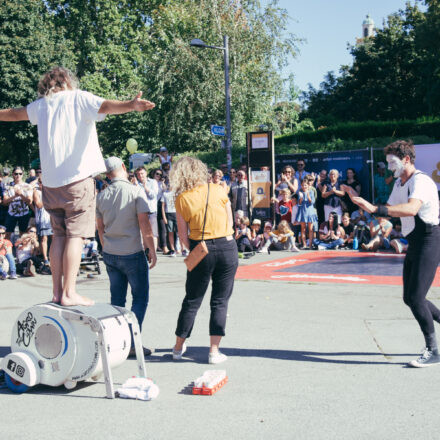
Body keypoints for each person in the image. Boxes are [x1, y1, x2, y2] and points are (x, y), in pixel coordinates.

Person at [0, 66, 155, 306]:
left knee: (58, 236)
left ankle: (56, 292)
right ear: (68, 81)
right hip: (78, 179)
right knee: (75, 236)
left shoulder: (42, 105)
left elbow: (14, 114)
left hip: (51, 184)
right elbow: (105, 106)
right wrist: (130, 105)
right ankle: (70, 292)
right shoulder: (79, 97)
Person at [347, 140, 440, 367]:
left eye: (392, 162)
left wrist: (373, 208)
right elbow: (387, 211)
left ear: (406, 159)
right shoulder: (400, 183)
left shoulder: (422, 181)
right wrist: (358, 202)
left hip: (430, 240)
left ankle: (433, 350)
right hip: (415, 242)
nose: (389, 167)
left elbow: (411, 209)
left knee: (417, 298)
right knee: (410, 298)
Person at [170, 157, 238, 364]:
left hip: (201, 246)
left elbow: (182, 236)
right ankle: (214, 351)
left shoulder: (181, 198)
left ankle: (178, 347)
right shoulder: (218, 189)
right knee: (220, 300)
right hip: (226, 246)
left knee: (192, 300)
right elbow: (230, 221)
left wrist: (196, 249)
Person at [96, 157, 157, 358]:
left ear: (107, 174)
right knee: (140, 298)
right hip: (132, 252)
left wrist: (106, 248)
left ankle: (116, 341)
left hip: (111, 252)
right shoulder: (135, 192)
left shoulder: (102, 196)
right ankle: (131, 341)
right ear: (123, 167)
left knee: (117, 300)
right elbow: (145, 226)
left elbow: (100, 227)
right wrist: (152, 249)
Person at [2, 166, 33, 239]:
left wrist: (21, 195)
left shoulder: (27, 186)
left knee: (23, 234)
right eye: (16, 174)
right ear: (12, 174)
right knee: (7, 234)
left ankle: (21, 249)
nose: (18, 175)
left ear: (22, 174)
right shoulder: (8, 186)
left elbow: (29, 201)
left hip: (24, 213)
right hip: (11, 213)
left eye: (20, 173)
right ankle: (8, 249)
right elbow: (4, 201)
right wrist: (15, 196)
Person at [135, 167, 160, 252]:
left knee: (153, 233)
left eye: (142, 173)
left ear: (146, 173)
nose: (140, 176)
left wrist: (146, 187)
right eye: (138, 174)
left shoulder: (153, 182)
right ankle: (145, 251)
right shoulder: (136, 184)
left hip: (151, 211)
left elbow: (153, 195)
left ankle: (154, 252)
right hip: (141, 212)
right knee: (143, 233)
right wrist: (135, 186)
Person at [296, 178, 318, 249]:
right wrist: (301, 199)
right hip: (303, 212)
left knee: (311, 229)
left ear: (308, 185)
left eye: (305, 185)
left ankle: (310, 245)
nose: (304, 187)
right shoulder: (300, 192)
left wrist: (308, 196)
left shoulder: (311, 192)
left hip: (310, 212)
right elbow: (299, 204)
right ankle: (304, 244)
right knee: (303, 229)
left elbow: (312, 202)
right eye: (302, 185)